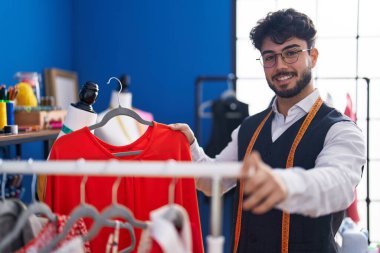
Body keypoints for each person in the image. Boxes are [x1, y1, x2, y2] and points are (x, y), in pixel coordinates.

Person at [170, 8, 366, 253]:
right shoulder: (248, 128)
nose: (280, 65)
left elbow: (336, 186)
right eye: (269, 57)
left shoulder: (341, 130)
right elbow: (213, 182)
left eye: (291, 53)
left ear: (313, 57)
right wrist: (190, 145)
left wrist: (283, 183)